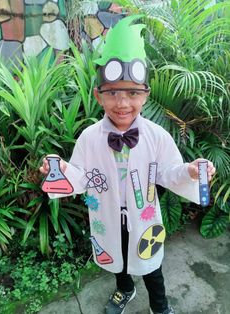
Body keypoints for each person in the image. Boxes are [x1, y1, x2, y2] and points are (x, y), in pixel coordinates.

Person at [40, 15, 215, 314]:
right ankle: (125, 289)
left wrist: (188, 171)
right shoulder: (90, 137)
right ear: (99, 96)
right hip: (107, 215)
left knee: (150, 264)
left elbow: (168, 172)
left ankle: (159, 306)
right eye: (112, 93)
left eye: (133, 92)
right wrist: (60, 171)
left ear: (145, 96)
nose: (122, 103)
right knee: (118, 259)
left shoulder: (157, 136)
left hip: (144, 216)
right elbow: (81, 177)